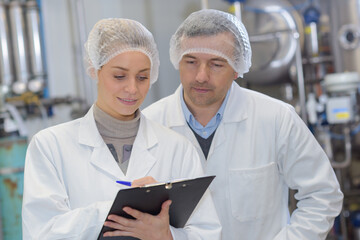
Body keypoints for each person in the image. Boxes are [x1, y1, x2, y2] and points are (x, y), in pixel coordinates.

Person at [143, 9, 344, 240]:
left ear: (238, 67)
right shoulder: (150, 124)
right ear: (178, 60)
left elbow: (322, 195)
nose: (201, 76)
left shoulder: (276, 118)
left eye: (216, 64)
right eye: (191, 61)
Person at [22, 18, 221, 240]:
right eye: (119, 76)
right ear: (95, 70)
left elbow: (207, 232)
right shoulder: (50, 146)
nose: (132, 89)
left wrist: (166, 235)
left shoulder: (177, 148)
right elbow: (40, 232)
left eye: (142, 77)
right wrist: (113, 212)